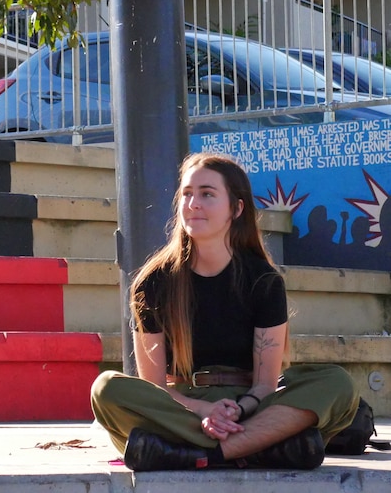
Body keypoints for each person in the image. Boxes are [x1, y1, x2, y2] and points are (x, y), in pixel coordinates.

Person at [90, 152, 360, 471]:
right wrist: (203, 411)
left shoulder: (263, 280)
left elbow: (264, 385)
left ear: (236, 208)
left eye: (207, 194)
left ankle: (197, 455)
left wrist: (237, 411)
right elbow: (155, 388)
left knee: (337, 383)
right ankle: (259, 447)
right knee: (106, 389)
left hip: (249, 405)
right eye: (187, 194)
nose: (194, 204)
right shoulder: (153, 282)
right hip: (181, 405)